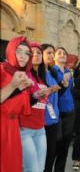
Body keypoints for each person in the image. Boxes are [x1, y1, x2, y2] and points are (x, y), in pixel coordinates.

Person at [1, 36, 33, 172]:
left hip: (13, 127)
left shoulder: (21, 74)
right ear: (10, 50)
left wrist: (34, 96)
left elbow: (12, 101)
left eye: (27, 53)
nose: (23, 56)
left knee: (12, 165)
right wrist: (13, 85)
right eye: (18, 51)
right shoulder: (2, 69)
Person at [19, 42, 49, 172]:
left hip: (40, 129)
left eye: (39, 53)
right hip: (25, 129)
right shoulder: (23, 75)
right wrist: (35, 96)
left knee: (40, 168)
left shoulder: (42, 79)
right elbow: (20, 102)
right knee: (32, 169)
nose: (36, 55)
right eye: (33, 53)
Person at [53, 47, 76, 172]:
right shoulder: (52, 71)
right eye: (59, 53)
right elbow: (56, 91)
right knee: (57, 143)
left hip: (70, 111)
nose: (62, 55)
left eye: (64, 53)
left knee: (65, 144)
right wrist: (63, 82)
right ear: (55, 57)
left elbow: (70, 90)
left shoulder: (68, 71)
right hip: (58, 112)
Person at [41, 44, 61, 172]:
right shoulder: (38, 73)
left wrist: (61, 85)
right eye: (48, 52)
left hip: (54, 118)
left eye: (52, 53)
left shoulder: (52, 72)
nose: (51, 55)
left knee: (51, 153)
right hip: (43, 119)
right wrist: (49, 90)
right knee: (43, 156)